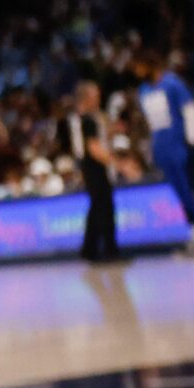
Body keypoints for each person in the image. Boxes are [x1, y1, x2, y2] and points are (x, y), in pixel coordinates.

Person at [133, 52, 194, 248]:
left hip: (181, 145)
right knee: (180, 191)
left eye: (139, 66)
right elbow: (150, 123)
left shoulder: (172, 83)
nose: (136, 71)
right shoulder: (143, 90)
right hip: (163, 148)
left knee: (193, 188)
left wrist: (191, 140)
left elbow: (190, 110)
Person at [66, 79, 123, 262]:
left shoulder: (82, 118)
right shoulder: (87, 120)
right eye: (96, 96)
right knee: (103, 208)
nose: (99, 99)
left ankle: (89, 249)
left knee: (96, 207)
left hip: (88, 165)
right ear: (87, 98)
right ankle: (108, 250)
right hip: (94, 166)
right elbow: (93, 147)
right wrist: (118, 163)